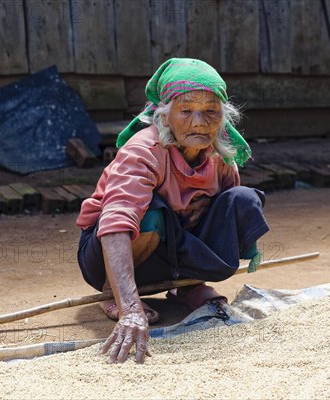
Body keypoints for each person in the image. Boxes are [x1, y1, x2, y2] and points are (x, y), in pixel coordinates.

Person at [75, 58, 269, 364]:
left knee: (241, 201)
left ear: (223, 115)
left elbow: (225, 211)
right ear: (165, 116)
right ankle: (115, 294)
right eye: (186, 110)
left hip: (172, 249)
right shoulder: (143, 151)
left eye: (210, 110)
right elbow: (115, 223)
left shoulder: (219, 154)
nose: (199, 122)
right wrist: (130, 309)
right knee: (152, 214)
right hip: (108, 252)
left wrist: (205, 207)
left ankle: (187, 288)